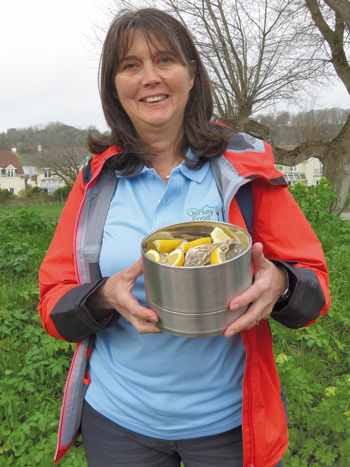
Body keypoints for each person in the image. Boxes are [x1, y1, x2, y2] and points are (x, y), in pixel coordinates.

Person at [38, 8, 330, 467]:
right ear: (114, 86)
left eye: (165, 60)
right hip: (119, 426)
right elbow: (53, 303)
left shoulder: (245, 167)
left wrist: (282, 284)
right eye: (130, 65)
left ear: (191, 74)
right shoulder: (96, 181)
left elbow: (314, 288)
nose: (149, 77)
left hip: (227, 428)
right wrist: (102, 298)